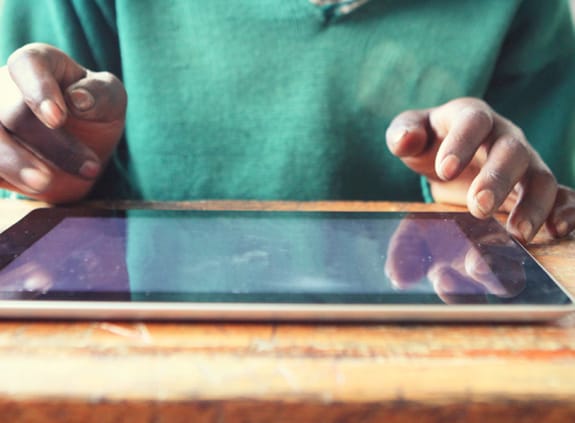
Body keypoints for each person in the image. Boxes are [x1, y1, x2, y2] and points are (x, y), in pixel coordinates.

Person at [0, 0, 574, 243]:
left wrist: (469, 196)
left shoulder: (525, 14)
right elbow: (27, 181)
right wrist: (56, 177)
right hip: (126, 366)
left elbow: (542, 230)